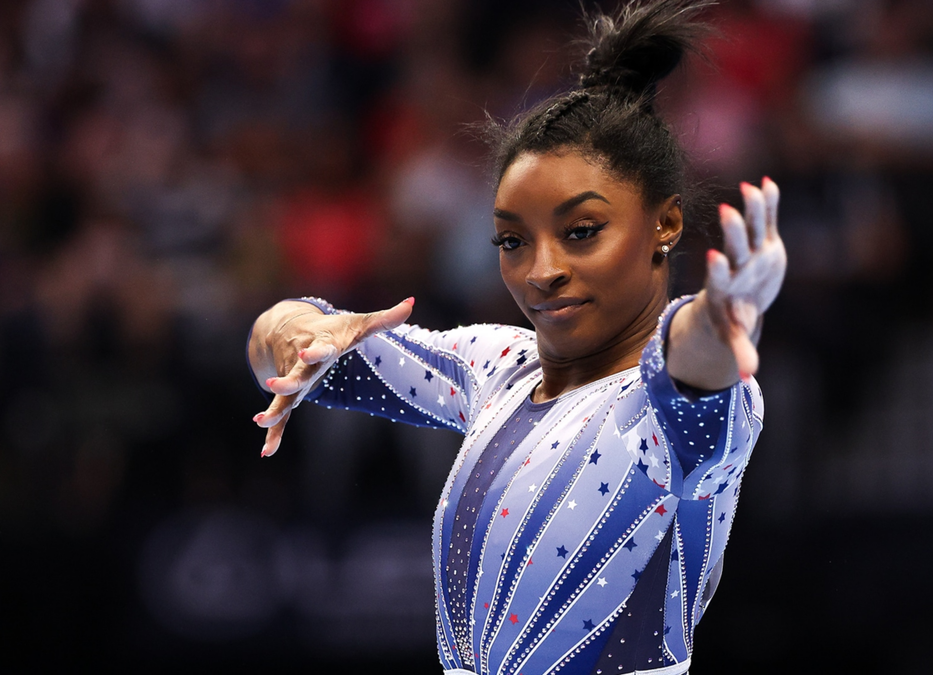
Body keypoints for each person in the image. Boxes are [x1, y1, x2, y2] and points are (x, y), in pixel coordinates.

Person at [247, 1, 786, 672]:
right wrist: (306, 327)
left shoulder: (668, 407)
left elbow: (690, 360)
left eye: (582, 230)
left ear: (664, 224)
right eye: (512, 240)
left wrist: (720, 316)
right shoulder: (497, 366)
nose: (543, 270)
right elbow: (276, 344)